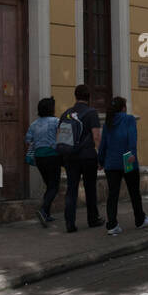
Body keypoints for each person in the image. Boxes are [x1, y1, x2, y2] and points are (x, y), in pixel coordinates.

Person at [98, 96, 148, 236]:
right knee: (134, 192)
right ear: (123, 107)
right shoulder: (129, 119)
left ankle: (112, 225)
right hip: (127, 160)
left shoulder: (108, 123)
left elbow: (103, 144)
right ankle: (140, 220)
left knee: (113, 194)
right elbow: (132, 139)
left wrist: (101, 161)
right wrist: (131, 155)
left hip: (111, 163)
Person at [57, 84, 103, 231]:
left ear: (75, 97)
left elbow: (61, 137)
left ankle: (70, 223)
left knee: (72, 190)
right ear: (88, 97)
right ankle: (93, 219)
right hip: (88, 156)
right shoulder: (91, 113)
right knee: (90, 189)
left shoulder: (66, 114)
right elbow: (96, 136)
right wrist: (101, 156)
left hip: (71, 157)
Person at [25, 96, 61, 227]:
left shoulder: (34, 124)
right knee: (54, 186)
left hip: (39, 158)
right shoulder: (56, 121)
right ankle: (43, 210)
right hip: (52, 156)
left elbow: (28, 140)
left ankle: (47, 214)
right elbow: (63, 135)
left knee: (49, 185)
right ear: (51, 109)